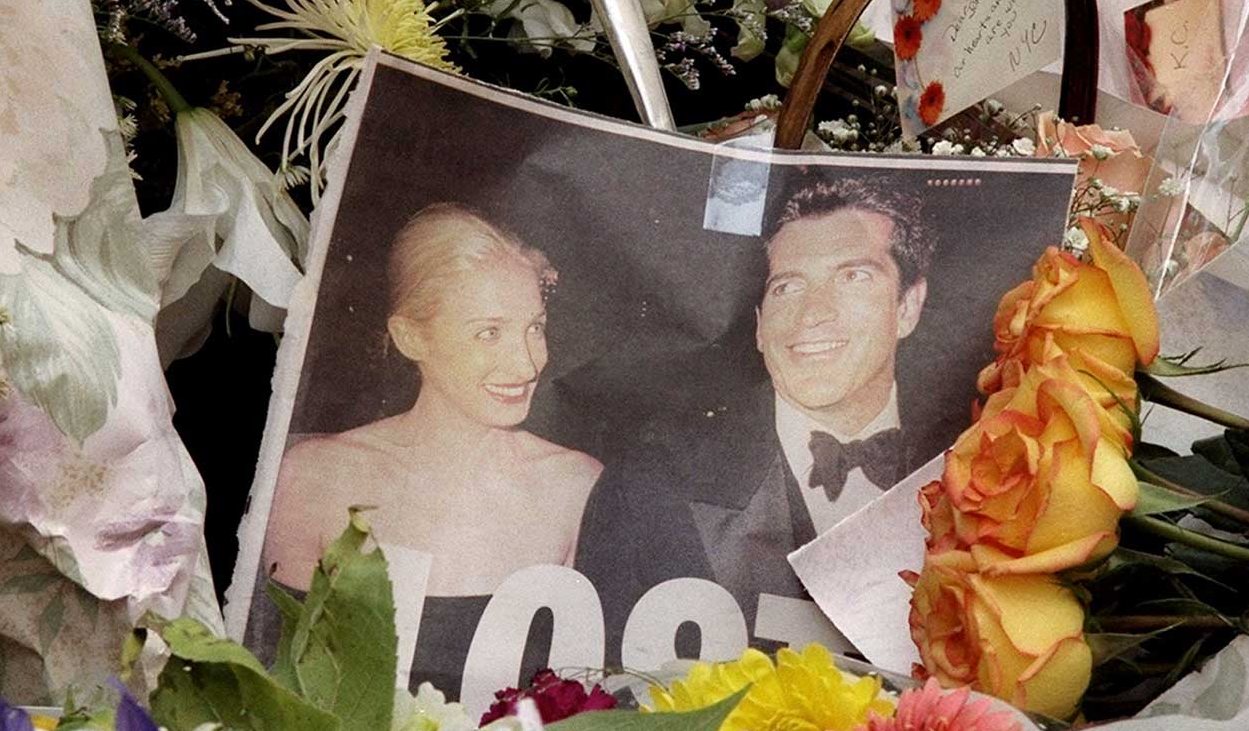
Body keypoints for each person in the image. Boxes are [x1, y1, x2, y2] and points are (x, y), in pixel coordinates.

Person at [575, 172, 935, 661]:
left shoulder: (977, 469)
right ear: (761, 327)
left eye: (853, 277)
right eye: (788, 287)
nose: (813, 313)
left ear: (909, 306)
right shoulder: (648, 487)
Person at [254, 203, 603, 691]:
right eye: (489, 333)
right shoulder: (314, 476)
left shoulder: (576, 484)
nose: (527, 364)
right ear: (410, 336)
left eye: (535, 328)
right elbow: (278, 683)